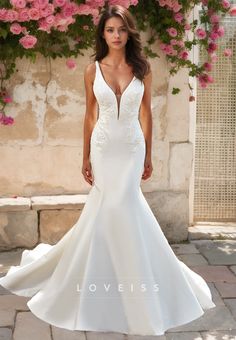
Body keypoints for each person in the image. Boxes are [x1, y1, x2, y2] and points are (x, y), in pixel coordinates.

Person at [0, 4, 216, 337]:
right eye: (110, 30)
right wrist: (84, 156)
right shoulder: (92, 69)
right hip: (103, 148)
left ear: (129, 32)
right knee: (107, 210)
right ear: (103, 34)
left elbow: (147, 115)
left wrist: (148, 155)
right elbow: (89, 115)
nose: (116, 35)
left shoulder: (142, 69)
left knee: (122, 207)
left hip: (130, 149)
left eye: (121, 29)